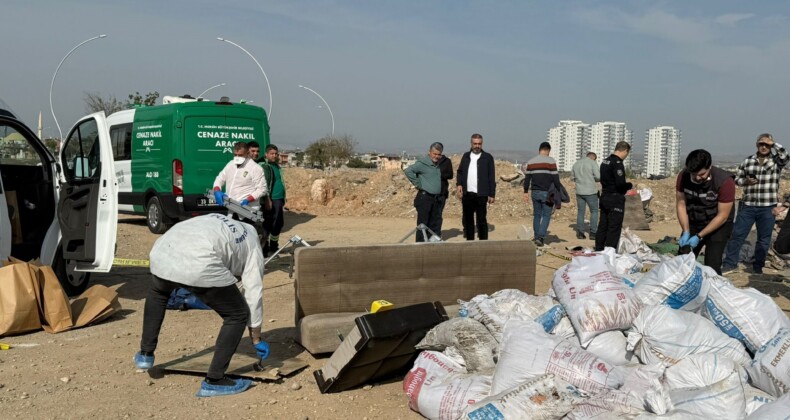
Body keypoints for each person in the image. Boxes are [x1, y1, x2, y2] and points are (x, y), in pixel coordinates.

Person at [134, 214, 268, 397]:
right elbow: (253, 291)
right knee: (237, 314)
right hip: (200, 260)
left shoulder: (223, 220)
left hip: (163, 249)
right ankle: (215, 381)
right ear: (262, 238)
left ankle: (145, 354)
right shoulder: (253, 242)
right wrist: (256, 337)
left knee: (159, 292)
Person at [722, 133, 789, 274]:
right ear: (756, 145)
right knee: (737, 235)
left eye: (767, 144)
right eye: (761, 144)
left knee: (764, 239)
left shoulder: (776, 161)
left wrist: (774, 143)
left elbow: (785, 155)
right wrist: (745, 181)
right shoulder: (748, 161)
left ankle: (758, 267)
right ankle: (730, 264)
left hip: (768, 207)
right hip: (748, 206)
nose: (764, 147)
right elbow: (737, 178)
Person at [675, 149, 736, 275]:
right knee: (683, 258)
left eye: (701, 174)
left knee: (711, 265)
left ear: (709, 167)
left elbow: (723, 216)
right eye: (694, 174)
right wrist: (686, 231)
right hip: (695, 219)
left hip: (718, 224)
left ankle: (713, 290)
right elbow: (681, 204)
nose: (697, 178)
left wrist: (699, 236)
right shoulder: (684, 176)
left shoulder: (724, 181)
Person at [212, 142, 267, 221]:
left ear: (247, 153)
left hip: (248, 211)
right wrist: (217, 190)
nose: (237, 157)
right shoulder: (230, 165)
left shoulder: (255, 168)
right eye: (235, 155)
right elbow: (220, 178)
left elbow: (262, 189)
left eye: (240, 155)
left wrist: (248, 199)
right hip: (232, 208)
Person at [456, 134, 496, 240]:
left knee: (481, 220)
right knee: (468, 220)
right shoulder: (466, 156)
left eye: (479, 144)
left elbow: (491, 177)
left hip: (481, 194)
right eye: (475, 144)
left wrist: (492, 194)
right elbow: (460, 172)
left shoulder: (487, 157)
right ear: (471, 143)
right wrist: (459, 184)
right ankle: (470, 242)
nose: (477, 146)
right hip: (468, 194)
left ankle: (483, 243)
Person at [595, 141, 633, 251]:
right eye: (627, 153)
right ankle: (609, 251)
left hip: (605, 196)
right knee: (614, 227)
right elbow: (620, 184)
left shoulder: (605, 161)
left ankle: (599, 249)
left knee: (603, 225)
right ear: (625, 150)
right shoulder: (617, 163)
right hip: (615, 198)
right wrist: (629, 185)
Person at [523, 142, 562, 247]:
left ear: (539, 150)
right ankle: (540, 237)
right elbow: (556, 178)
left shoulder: (531, 162)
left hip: (534, 192)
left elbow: (527, 179)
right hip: (547, 193)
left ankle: (536, 237)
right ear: (548, 150)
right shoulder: (551, 161)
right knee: (546, 215)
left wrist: (525, 192)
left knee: (537, 215)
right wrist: (558, 190)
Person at [404, 143, 443, 242]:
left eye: (439, 154)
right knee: (423, 225)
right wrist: (418, 184)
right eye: (434, 154)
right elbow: (408, 171)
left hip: (435, 199)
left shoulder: (437, 164)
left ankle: (431, 248)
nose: (436, 156)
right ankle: (420, 247)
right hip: (425, 199)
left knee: (434, 224)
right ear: (429, 152)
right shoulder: (422, 163)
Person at [260, 144, 286, 256]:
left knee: (278, 223)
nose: (274, 155)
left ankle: (274, 247)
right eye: (272, 153)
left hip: (279, 199)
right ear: (266, 154)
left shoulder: (276, 166)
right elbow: (263, 184)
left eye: (276, 153)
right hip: (271, 200)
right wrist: (267, 199)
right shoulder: (264, 166)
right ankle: (265, 249)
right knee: (267, 224)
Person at [570, 152, 600, 241]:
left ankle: (580, 233)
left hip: (579, 191)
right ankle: (593, 233)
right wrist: (592, 178)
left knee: (580, 212)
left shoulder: (576, 163)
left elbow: (572, 178)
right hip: (591, 191)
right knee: (594, 211)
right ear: (594, 158)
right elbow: (598, 176)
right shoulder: (592, 163)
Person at [436, 144, 454, 238]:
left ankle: (437, 234)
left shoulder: (447, 161)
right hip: (429, 193)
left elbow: (450, 175)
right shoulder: (429, 161)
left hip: (442, 192)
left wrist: (438, 174)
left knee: (438, 214)